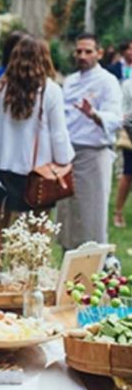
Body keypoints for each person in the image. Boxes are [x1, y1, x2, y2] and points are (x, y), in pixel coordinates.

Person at [0, 36, 74, 277]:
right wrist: (64, 160)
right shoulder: (51, 90)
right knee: (39, 230)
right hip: (37, 172)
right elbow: (58, 133)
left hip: (2, 167)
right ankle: (33, 282)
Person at [58, 33, 123, 251]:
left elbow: (116, 118)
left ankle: (96, 268)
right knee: (67, 215)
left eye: (88, 51)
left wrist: (94, 115)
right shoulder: (69, 81)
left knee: (92, 215)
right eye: (79, 51)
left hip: (94, 154)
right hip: (68, 154)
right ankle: (69, 265)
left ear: (100, 53)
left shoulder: (108, 81)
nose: (82, 56)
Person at [114, 78, 132, 228]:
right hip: (130, 134)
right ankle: (118, 212)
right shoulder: (128, 85)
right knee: (128, 174)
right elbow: (123, 113)